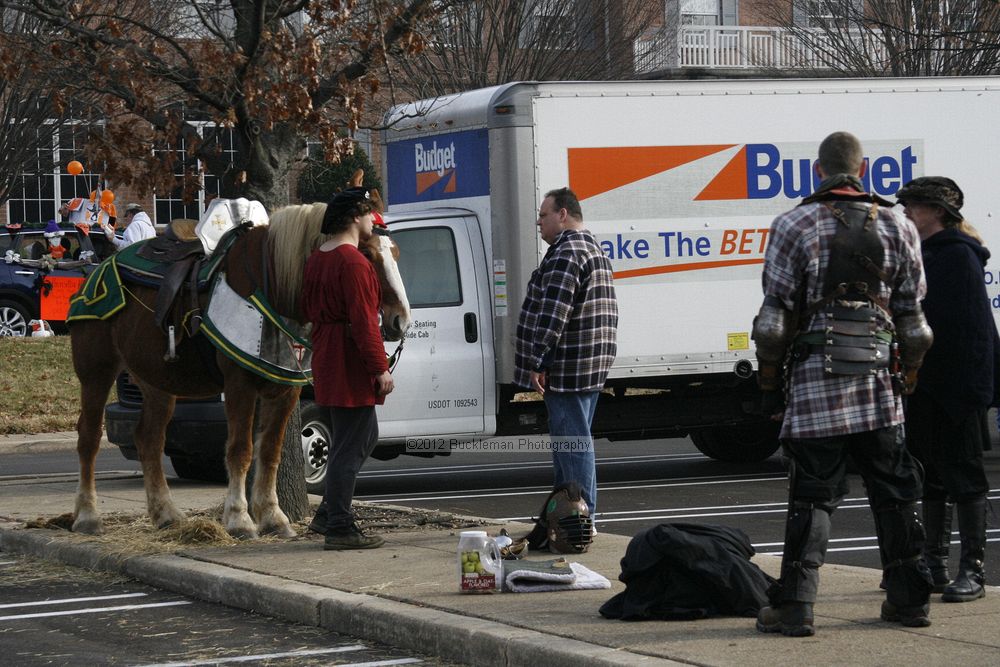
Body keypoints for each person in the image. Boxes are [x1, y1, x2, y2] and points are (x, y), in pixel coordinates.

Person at [751, 131, 935, 636]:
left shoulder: (792, 222)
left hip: (815, 378)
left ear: (816, 171)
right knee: (895, 490)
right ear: (865, 167)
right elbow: (914, 321)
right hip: (879, 381)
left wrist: (769, 387)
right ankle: (909, 599)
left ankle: (797, 607)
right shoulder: (898, 223)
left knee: (811, 493)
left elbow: (773, 320)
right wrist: (909, 377)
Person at [896, 176, 996, 602]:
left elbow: (970, 333)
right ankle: (934, 562)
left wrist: (968, 393)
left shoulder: (956, 256)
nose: (905, 213)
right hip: (926, 384)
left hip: (954, 388)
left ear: (937, 211)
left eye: (912, 207)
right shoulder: (922, 254)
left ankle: (972, 570)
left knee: (964, 476)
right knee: (931, 476)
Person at [514, 187, 618, 528]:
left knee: (572, 446)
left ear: (562, 214)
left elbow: (554, 313)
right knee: (573, 441)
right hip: (590, 362)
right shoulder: (592, 247)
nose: (538, 223)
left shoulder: (565, 253)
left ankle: (579, 519)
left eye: (543, 215)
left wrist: (539, 360)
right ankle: (565, 513)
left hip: (568, 363)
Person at [302, 187, 394, 550]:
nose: (373, 220)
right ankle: (339, 524)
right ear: (356, 217)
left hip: (327, 354)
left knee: (358, 437)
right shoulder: (353, 262)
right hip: (348, 359)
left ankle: (328, 513)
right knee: (351, 445)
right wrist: (379, 367)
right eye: (370, 213)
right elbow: (363, 322)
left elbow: (309, 310)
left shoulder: (317, 258)